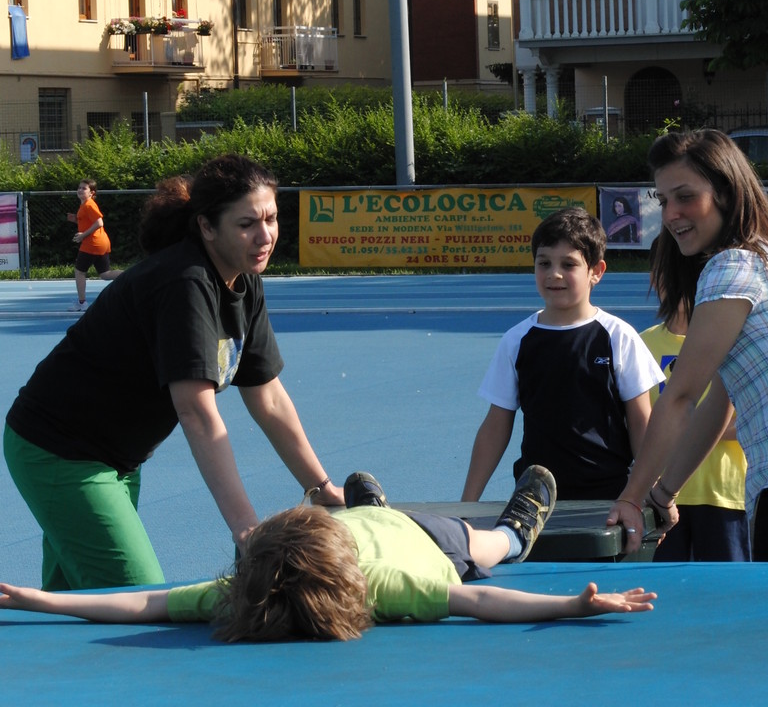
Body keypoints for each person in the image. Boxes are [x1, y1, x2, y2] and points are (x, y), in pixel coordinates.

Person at [4, 155, 344, 592]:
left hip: (116, 459)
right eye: (247, 224)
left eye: (272, 218)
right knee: (135, 597)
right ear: (206, 227)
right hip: (60, 452)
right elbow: (198, 415)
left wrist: (320, 489)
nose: (265, 236)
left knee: (74, 609)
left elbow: (269, 396)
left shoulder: (243, 278)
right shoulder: (184, 284)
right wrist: (245, 529)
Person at [0, 469, 657, 640]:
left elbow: (146, 605)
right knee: (464, 544)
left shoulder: (248, 591)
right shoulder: (359, 582)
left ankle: (520, 523)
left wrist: (42, 598)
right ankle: (364, 503)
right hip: (399, 534)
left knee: (493, 545)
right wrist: (571, 604)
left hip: (420, 537)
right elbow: (476, 600)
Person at [608, 128, 768, 560]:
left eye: (685, 196)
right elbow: (720, 400)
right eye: (662, 201)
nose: (672, 213)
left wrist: (632, 498)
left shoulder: (730, 266)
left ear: (726, 193)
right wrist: (662, 494)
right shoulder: (759, 261)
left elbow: (680, 397)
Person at [462, 207, 664, 502]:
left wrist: (650, 493)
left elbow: (641, 422)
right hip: (535, 498)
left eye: (568, 264)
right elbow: (496, 425)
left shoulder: (618, 337)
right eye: (544, 263)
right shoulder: (517, 340)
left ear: (596, 271)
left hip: (608, 495)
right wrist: (467, 502)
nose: (554, 274)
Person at [640, 240, 749, 562]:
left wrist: (676, 423)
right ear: (653, 279)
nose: (674, 282)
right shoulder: (641, 344)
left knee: (727, 597)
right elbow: (639, 422)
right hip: (657, 495)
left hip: (722, 494)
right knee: (662, 596)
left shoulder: (731, 342)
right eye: (664, 273)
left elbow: (743, 420)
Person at [66, 178, 122, 311]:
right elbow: (89, 222)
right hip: (100, 242)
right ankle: (132, 275)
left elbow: (99, 223)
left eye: (84, 188)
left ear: (92, 193)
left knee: (79, 272)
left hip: (92, 244)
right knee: (105, 274)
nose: (80, 190)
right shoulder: (84, 205)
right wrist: (76, 219)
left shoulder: (89, 205)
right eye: (79, 187)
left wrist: (83, 235)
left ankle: (81, 303)